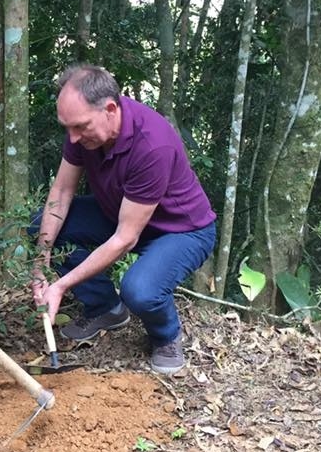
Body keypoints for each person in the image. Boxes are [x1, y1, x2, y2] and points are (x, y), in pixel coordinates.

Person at [30, 65, 216, 375]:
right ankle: (106, 308)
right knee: (42, 227)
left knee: (140, 290)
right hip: (120, 212)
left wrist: (59, 286)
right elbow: (61, 192)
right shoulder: (83, 135)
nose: (72, 138)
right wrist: (40, 259)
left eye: (80, 127)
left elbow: (125, 238)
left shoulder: (152, 143)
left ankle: (166, 337)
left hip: (181, 231)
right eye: (67, 127)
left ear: (111, 109)